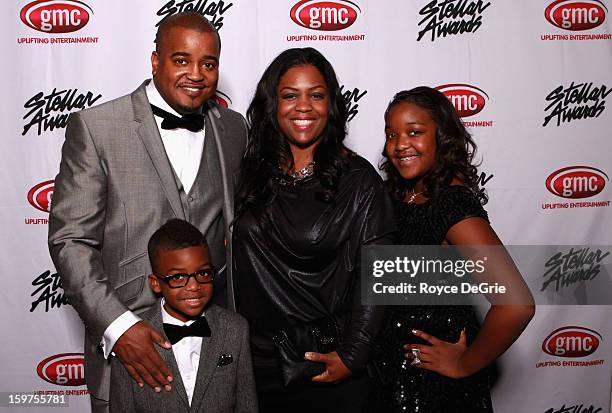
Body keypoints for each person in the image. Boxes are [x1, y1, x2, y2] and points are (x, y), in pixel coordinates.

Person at [48, 12, 247, 412]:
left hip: (213, 357)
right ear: (155, 61)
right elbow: (71, 240)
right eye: (181, 60)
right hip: (130, 355)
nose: (196, 74)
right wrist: (120, 329)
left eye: (208, 63)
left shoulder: (233, 129)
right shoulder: (97, 127)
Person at [232, 47, 397, 413]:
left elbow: (380, 275)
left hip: (318, 362)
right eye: (290, 95)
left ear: (331, 104)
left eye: (316, 95)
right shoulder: (252, 171)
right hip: (251, 364)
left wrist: (353, 356)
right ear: (272, 103)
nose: (303, 106)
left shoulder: (359, 182)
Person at [377, 86, 535, 412]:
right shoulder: (402, 194)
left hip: (431, 386)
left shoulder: (451, 204)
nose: (400, 144)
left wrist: (463, 364)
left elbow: (516, 304)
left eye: (415, 132)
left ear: (442, 136)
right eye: (391, 134)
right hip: (391, 373)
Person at [109, 219, 257, 413]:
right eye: (178, 277)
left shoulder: (235, 329)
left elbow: (247, 405)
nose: (194, 286)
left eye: (203, 273)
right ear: (155, 283)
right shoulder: (131, 338)